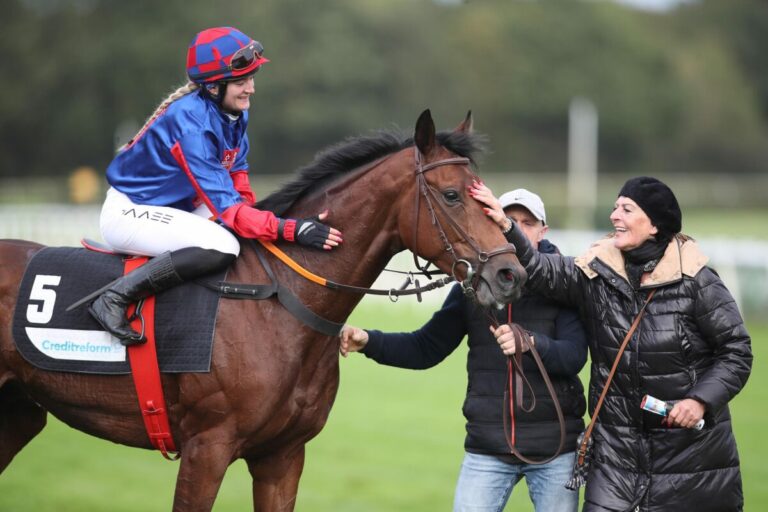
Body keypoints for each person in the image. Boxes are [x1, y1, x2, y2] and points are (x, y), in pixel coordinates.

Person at [474, 177, 752, 511]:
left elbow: (736, 351)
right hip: (614, 461)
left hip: (691, 459)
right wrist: (505, 225)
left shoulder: (699, 282)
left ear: (654, 225)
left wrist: (699, 401)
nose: (614, 215)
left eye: (626, 208)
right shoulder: (594, 273)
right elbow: (537, 268)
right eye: (616, 206)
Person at [88, 27, 342, 345]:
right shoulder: (192, 125)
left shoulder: (232, 111)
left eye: (252, 78)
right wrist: (292, 230)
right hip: (131, 212)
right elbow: (229, 209)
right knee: (224, 246)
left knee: (248, 230)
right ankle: (113, 298)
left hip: (175, 205)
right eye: (241, 82)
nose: (251, 88)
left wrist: (269, 219)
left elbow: (237, 174)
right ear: (212, 86)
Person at [341, 186, 588, 512]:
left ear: (543, 231)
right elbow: (425, 348)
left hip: (555, 450)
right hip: (487, 449)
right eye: (509, 220)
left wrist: (528, 343)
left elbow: (573, 357)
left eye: (527, 222)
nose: (517, 228)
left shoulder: (565, 283)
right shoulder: (472, 287)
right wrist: (369, 341)